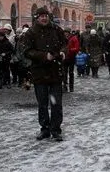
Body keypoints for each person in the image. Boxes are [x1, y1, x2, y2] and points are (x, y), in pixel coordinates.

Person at [22, 7, 67, 141]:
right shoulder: (31, 32)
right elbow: (26, 51)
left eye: (46, 15)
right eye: (41, 16)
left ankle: (56, 129)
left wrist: (63, 52)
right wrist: (43, 56)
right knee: (42, 103)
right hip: (39, 72)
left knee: (56, 103)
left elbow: (65, 43)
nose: (44, 18)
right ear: (37, 17)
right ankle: (45, 129)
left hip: (55, 71)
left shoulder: (56, 29)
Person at [63, 27, 79, 92]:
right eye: (65, 32)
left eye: (67, 32)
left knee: (71, 73)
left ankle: (71, 87)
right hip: (64, 58)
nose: (66, 34)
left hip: (71, 57)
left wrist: (70, 50)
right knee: (64, 72)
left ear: (69, 33)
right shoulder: (62, 39)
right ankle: (65, 86)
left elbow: (77, 48)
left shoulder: (74, 38)